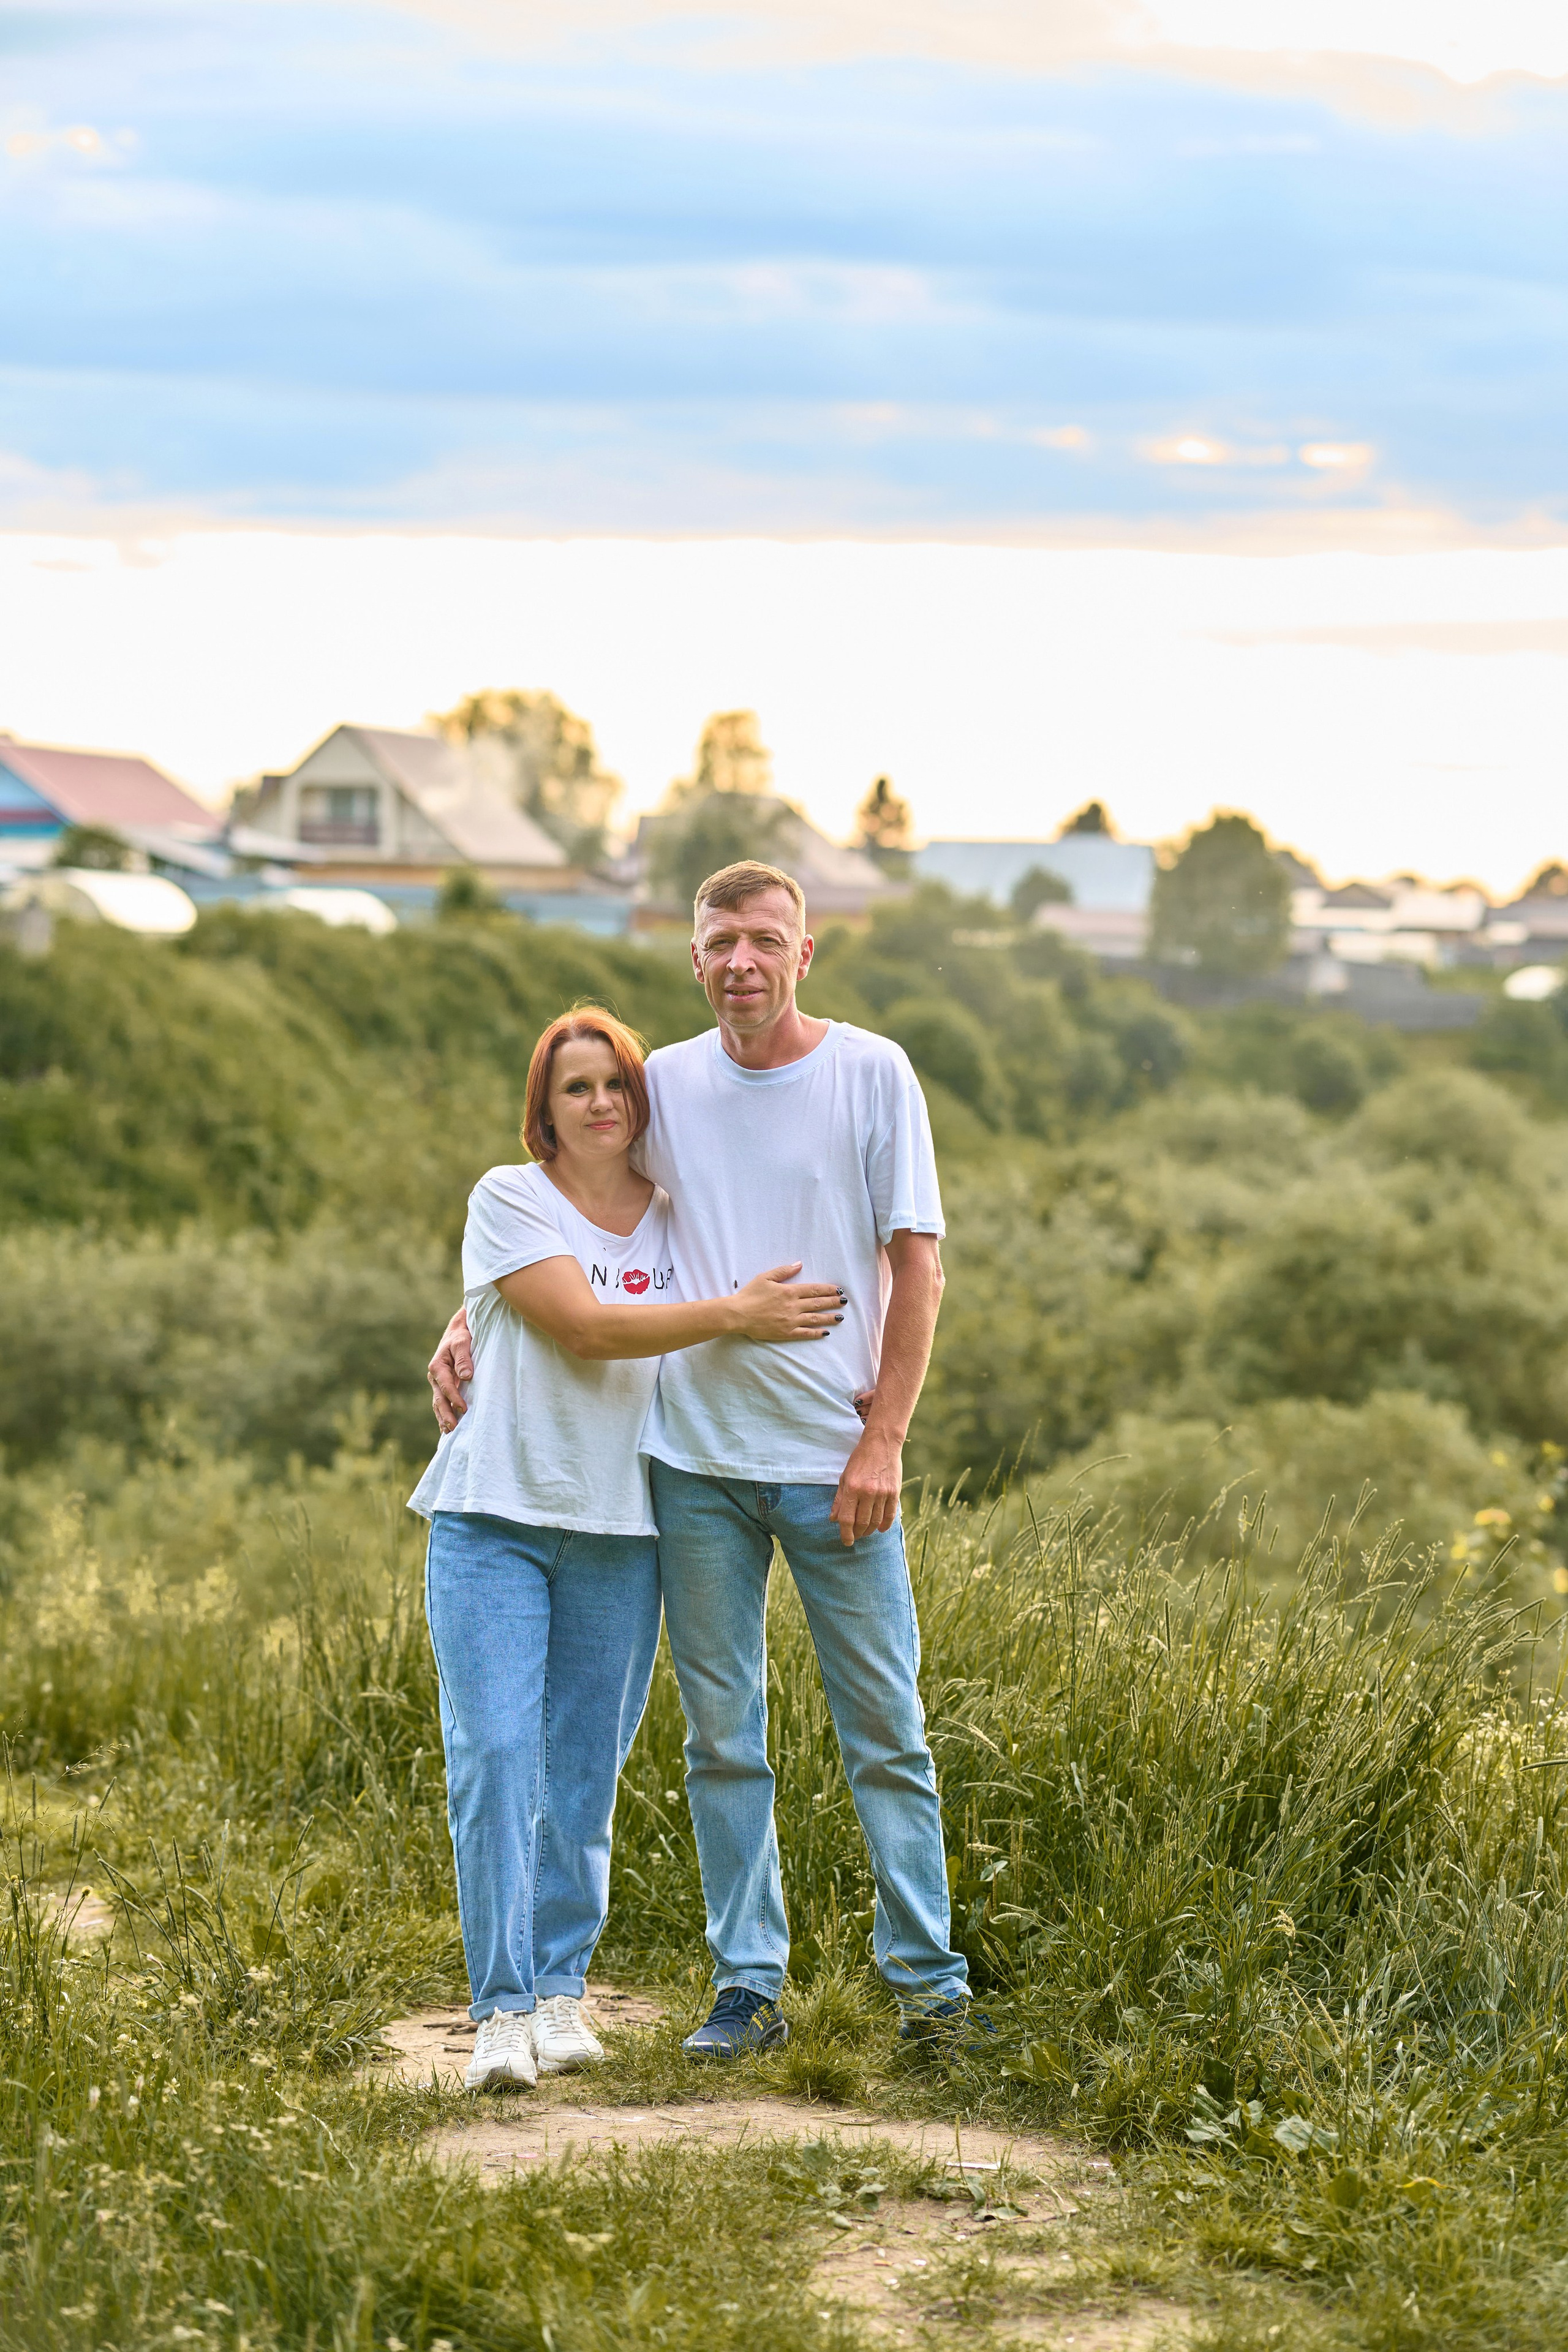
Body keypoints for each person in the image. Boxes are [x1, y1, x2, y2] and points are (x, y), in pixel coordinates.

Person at [431, 864, 974, 2060]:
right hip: (690, 1470)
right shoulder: (661, 1083)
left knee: (883, 1730)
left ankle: (928, 1989)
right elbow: (578, 1208)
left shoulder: (870, 1072)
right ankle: (747, 1986)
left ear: (802, 952)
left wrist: (884, 1436)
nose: (741, 961)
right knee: (723, 1742)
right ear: (694, 958)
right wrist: (477, 1316)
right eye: (720, 940)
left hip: (839, 1465)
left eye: (763, 940)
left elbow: (917, 1267)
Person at [410, 1003, 845, 2093]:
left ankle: (561, 1991)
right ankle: (500, 2010)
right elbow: (587, 1329)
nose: (600, 1101)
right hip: (496, 1520)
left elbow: (799, 1226)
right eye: (575, 1087)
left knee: (585, 1777)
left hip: (622, 1530)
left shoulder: (676, 1216)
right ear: (543, 1112)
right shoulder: (508, 1199)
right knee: (496, 1760)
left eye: (616, 1084)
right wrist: (733, 1317)